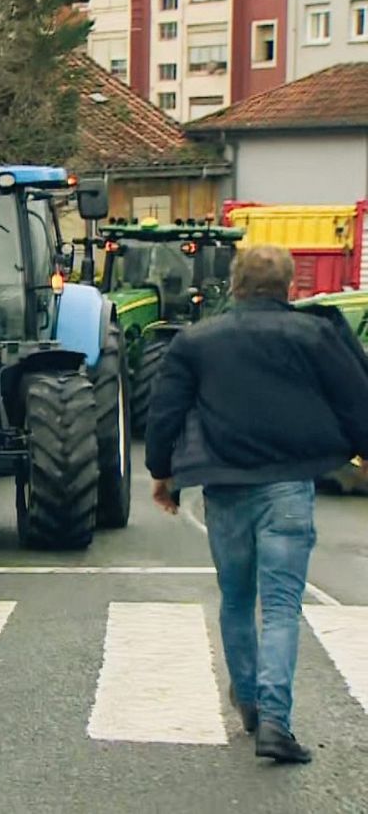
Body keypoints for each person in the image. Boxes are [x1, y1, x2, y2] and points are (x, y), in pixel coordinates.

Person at [146, 244, 368, 765]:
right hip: (289, 486)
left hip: (224, 487)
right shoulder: (317, 334)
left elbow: (165, 411)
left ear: (234, 284)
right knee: (284, 605)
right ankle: (275, 722)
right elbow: (358, 400)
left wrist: (163, 475)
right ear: (289, 286)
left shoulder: (196, 341)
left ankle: (247, 699)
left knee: (237, 597)